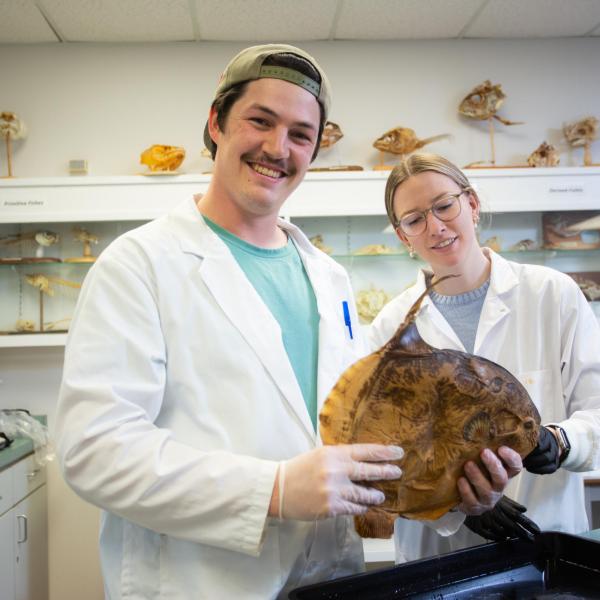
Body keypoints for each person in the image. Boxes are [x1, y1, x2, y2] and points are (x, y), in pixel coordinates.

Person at [56, 47, 514, 599]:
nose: (278, 148)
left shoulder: (328, 277)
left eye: (301, 134)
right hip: (199, 584)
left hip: (327, 579)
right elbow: (95, 450)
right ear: (216, 123)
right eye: (260, 121)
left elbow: (356, 434)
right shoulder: (140, 264)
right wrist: (271, 490)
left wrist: (450, 496)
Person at [369, 152, 600, 563]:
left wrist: (563, 441)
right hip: (437, 558)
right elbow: (385, 453)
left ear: (471, 205)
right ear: (402, 235)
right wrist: (452, 506)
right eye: (414, 219)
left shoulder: (552, 295)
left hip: (544, 541)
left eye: (444, 206)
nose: (436, 227)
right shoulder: (391, 328)